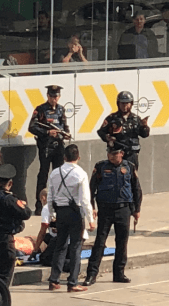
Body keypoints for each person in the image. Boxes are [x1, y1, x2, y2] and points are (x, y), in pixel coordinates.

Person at [83, 142, 143, 287]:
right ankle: (91, 274)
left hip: (124, 209)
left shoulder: (129, 167)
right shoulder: (101, 166)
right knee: (100, 242)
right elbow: (91, 189)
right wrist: (92, 207)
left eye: (114, 154)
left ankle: (119, 273)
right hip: (105, 209)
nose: (111, 156)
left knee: (122, 242)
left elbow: (137, 189)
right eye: (109, 153)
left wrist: (136, 210)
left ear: (121, 154)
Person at [47, 144, 96, 293]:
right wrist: (90, 220)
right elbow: (85, 199)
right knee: (75, 247)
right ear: (78, 157)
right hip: (75, 213)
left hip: (60, 212)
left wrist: (51, 214)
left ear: (64, 157)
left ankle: (54, 280)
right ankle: (72, 282)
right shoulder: (80, 173)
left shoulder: (55, 173)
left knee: (60, 245)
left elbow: (50, 196)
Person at [0, 164, 32, 290]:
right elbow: (26, 213)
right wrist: (21, 204)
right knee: (5, 272)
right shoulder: (8, 199)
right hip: (4, 238)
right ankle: (1, 301)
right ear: (10, 183)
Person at [28, 85, 72, 215]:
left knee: (59, 175)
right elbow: (32, 127)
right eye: (52, 96)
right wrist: (47, 132)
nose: (54, 99)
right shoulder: (40, 109)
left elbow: (64, 125)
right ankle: (39, 205)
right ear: (48, 96)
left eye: (56, 96)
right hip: (46, 146)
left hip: (59, 146)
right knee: (43, 175)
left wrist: (66, 133)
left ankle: (59, 203)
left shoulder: (61, 109)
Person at [97, 91, 150, 170]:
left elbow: (144, 134)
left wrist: (144, 126)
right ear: (118, 104)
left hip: (131, 154)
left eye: (127, 103)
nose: (125, 106)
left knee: (131, 177)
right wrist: (107, 138)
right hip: (116, 154)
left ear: (131, 104)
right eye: (122, 103)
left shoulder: (136, 119)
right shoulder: (112, 118)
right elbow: (101, 131)